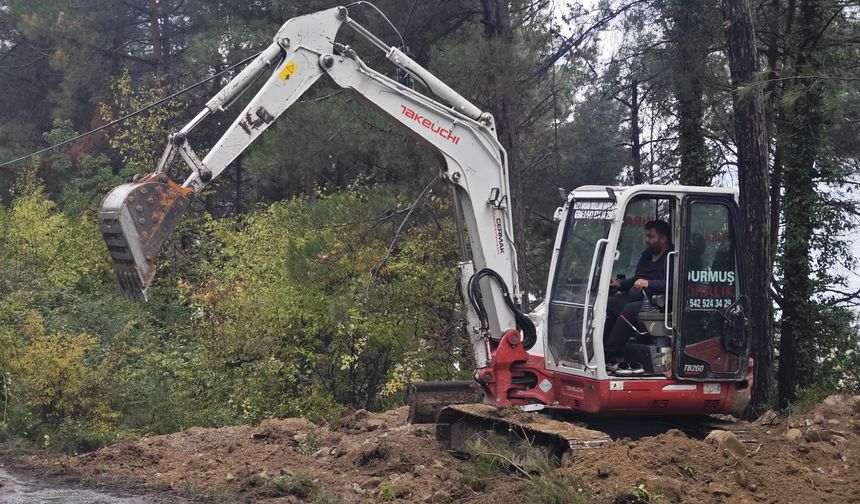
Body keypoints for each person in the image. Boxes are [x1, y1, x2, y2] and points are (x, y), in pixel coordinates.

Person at [604, 219, 673, 361]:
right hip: (635, 295)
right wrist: (620, 284)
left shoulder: (673, 257)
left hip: (656, 303)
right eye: (646, 236)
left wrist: (649, 284)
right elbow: (637, 278)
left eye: (651, 236)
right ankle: (596, 346)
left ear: (664, 239)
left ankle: (608, 352)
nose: (647, 240)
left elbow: (675, 285)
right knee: (608, 303)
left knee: (629, 310)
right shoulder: (646, 255)